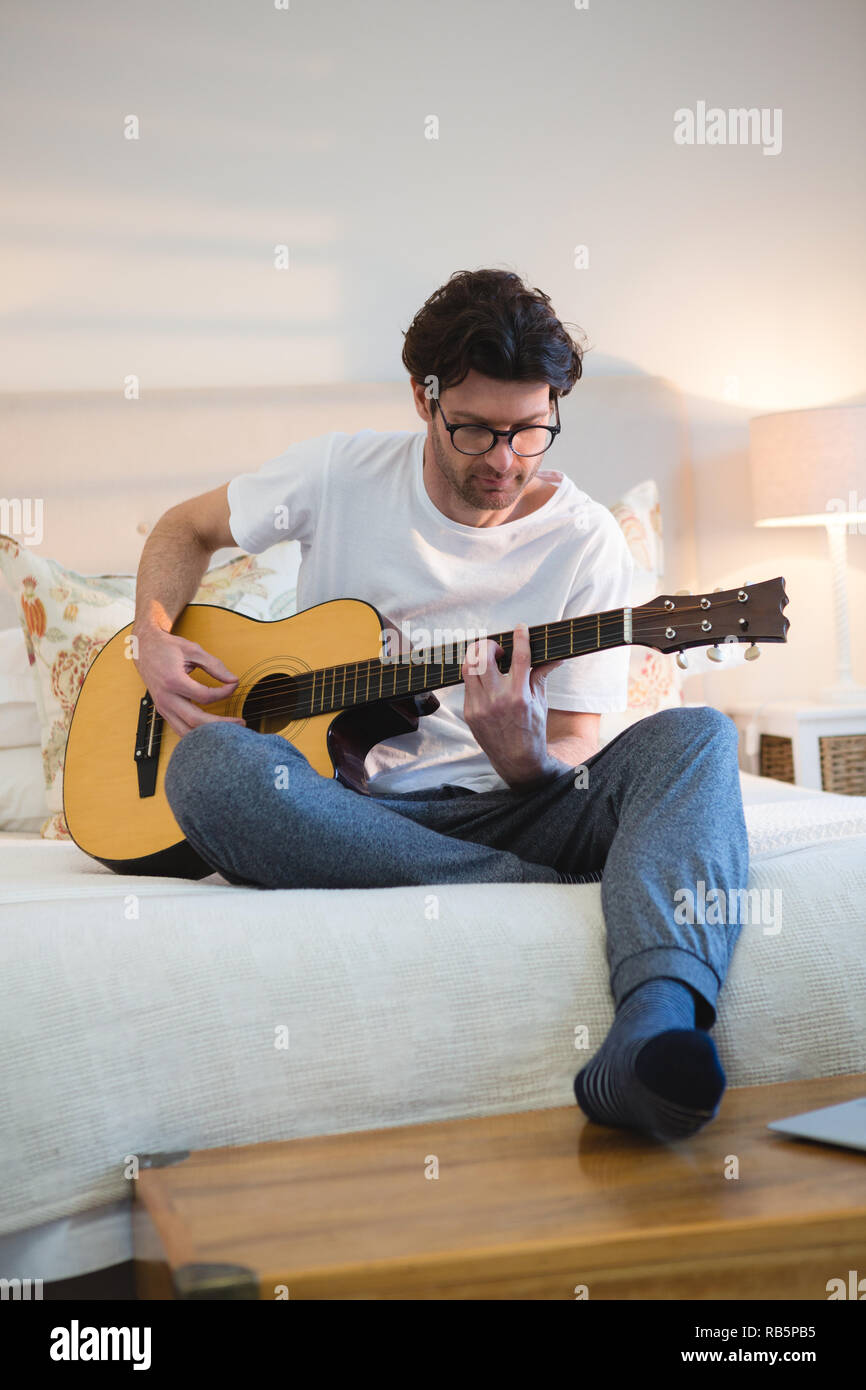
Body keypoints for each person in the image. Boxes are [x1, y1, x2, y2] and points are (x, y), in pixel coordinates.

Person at [132, 267, 748, 1142]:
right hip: (344, 810)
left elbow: (574, 748)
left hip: (515, 812)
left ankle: (653, 1031)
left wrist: (522, 760)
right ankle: (541, 894)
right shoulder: (338, 473)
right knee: (212, 765)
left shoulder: (584, 540)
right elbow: (180, 530)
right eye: (475, 431)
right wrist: (150, 636)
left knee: (696, 738)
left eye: (530, 430)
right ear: (423, 400)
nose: (505, 460)